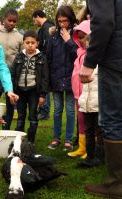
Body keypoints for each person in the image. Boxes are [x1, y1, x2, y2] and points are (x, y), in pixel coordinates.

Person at [79, 1, 122, 198]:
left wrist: (89, 62)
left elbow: (103, 23)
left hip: (116, 57)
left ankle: (116, 185)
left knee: (112, 120)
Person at [46, 5, 77, 151]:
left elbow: (78, 56)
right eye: (60, 21)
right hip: (56, 78)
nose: (62, 24)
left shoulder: (77, 35)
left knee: (70, 110)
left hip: (71, 78)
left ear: (70, 20)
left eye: (65, 21)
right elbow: (49, 60)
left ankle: (68, 139)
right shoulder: (53, 38)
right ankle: (56, 137)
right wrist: (48, 80)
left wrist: (69, 41)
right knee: (57, 109)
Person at [0, 8, 23, 130]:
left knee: (10, 105)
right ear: (4, 20)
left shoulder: (19, 37)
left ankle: (5, 130)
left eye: (14, 21)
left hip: (12, 76)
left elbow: (21, 56)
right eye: (9, 20)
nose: (12, 23)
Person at [10, 30, 49, 145]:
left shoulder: (41, 57)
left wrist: (42, 95)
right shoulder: (19, 57)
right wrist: (12, 90)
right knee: (21, 116)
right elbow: (13, 73)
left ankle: (31, 140)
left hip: (34, 91)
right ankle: (19, 140)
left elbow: (45, 78)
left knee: (33, 115)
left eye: (33, 42)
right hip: (20, 91)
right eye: (27, 42)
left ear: (37, 43)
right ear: (23, 43)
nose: (30, 45)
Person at [67, 20, 91, 159]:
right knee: (81, 120)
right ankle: (82, 147)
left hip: (88, 94)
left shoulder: (91, 55)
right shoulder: (79, 52)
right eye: (79, 37)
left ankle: (90, 147)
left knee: (90, 122)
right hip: (78, 94)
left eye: (84, 37)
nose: (81, 40)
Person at [32, 10, 54, 121]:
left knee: (45, 85)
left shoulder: (47, 28)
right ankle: (42, 110)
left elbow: (48, 47)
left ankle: (45, 111)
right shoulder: (46, 27)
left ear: (37, 17)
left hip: (46, 61)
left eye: (34, 19)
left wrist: (44, 60)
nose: (34, 22)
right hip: (45, 61)